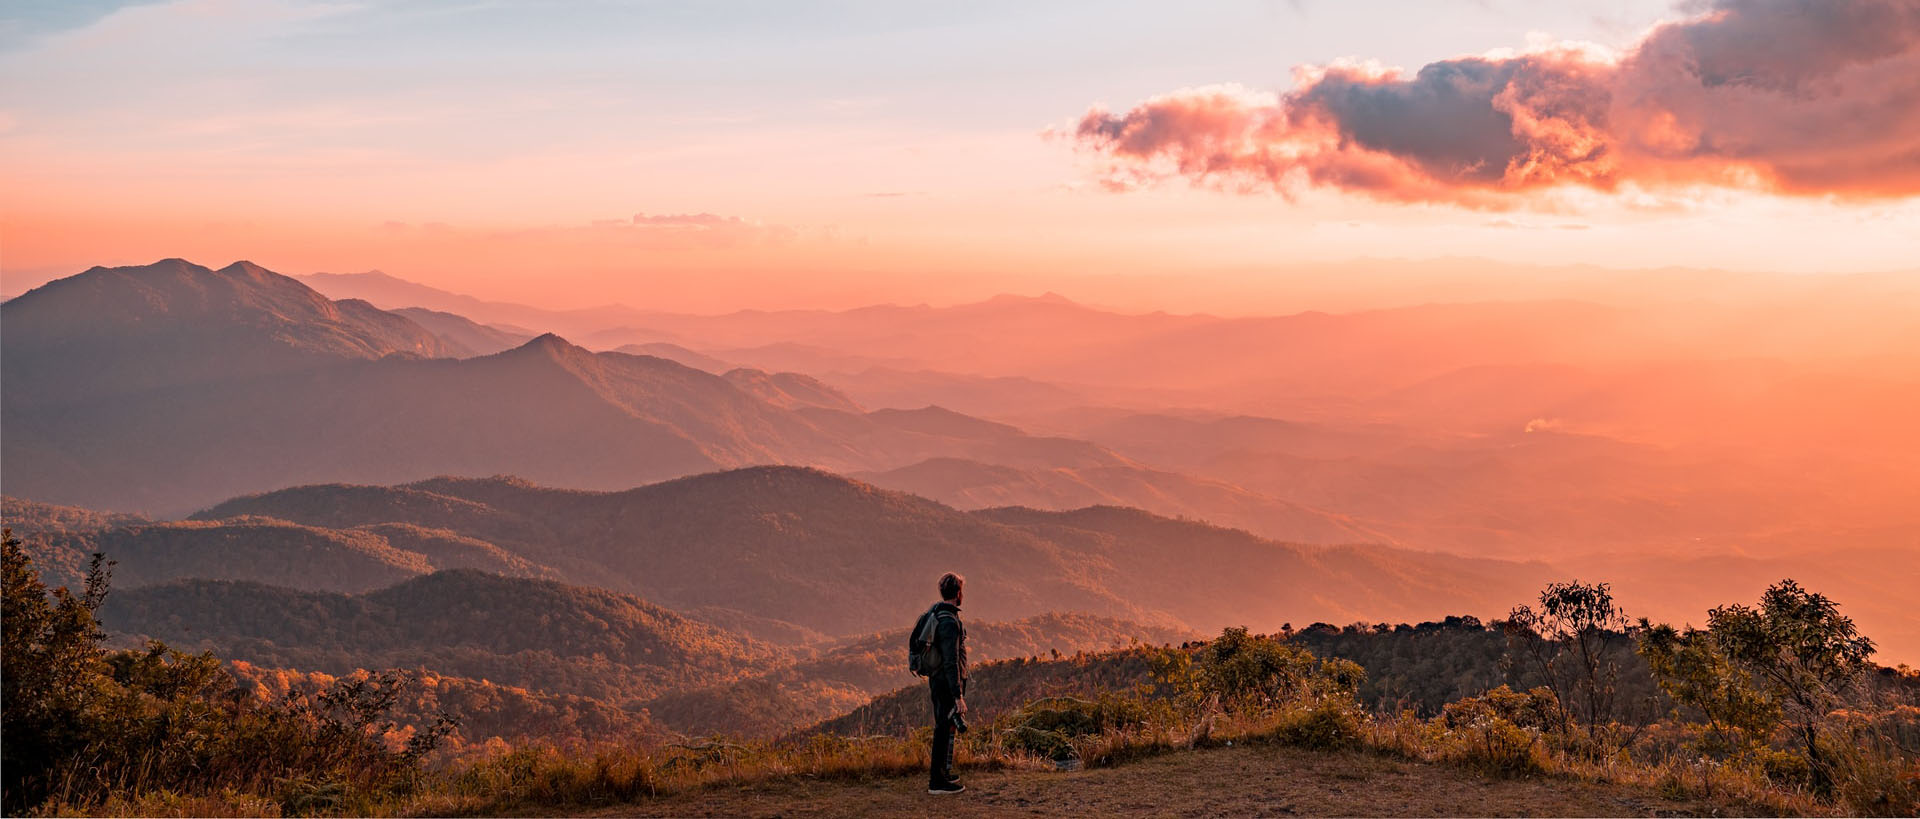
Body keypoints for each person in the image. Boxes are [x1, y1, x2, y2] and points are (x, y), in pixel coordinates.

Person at [922, 571, 968, 794]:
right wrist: (958, 695)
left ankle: (943, 773)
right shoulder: (949, 622)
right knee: (943, 728)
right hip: (946, 682)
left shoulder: (939, 613)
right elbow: (951, 661)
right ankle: (937, 782)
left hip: (938, 680)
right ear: (958, 593)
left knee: (947, 727)